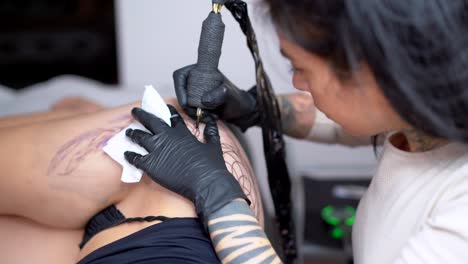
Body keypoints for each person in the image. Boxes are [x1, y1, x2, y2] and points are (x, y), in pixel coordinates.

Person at [123, 0, 468, 263]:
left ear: (377, 74)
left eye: (299, 67)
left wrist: (217, 196)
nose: (297, 82)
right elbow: (353, 122)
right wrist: (258, 108)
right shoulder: (429, 112)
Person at [0, 97, 264, 263]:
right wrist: (257, 107)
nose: (297, 82)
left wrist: (214, 187)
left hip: (123, 241)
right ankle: (85, 114)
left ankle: (86, 113)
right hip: (198, 216)